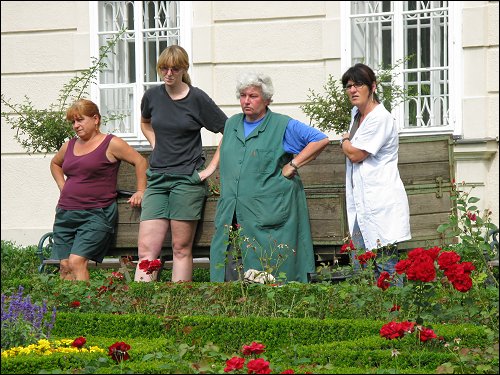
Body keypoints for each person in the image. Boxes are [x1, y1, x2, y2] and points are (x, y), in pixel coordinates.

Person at [210, 72, 330, 283]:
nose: (246, 101)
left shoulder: (281, 125)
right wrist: (210, 168)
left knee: (271, 272)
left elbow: (319, 140)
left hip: (269, 213)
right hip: (232, 214)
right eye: (243, 95)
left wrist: (293, 164)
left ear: (267, 99)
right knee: (228, 270)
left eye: (253, 96)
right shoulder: (232, 124)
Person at [134, 45, 227, 282]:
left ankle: (179, 306)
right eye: (164, 68)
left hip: (187, 180)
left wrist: (210, 169)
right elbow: (145, 122)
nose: (168, 73)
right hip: (157, 179)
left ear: (184, 68)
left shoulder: (197, 99)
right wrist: (156, 142)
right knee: (146, 250)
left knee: (181, 249)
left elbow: (228, 130)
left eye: (174, 68)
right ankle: (140, 306)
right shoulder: (152, 96)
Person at [50, 99, 148, 281]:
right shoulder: (69, 145)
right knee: (64, 265)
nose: (76, 126)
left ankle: (83, 307)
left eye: (80, 120)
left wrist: (141, 190)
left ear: (95, 119)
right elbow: (55, 163)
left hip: (95, 213)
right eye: (73, 122)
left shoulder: (111, 143)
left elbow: (140, 161)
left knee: (76, 262)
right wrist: (62, 186)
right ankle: (66, 308)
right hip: (65, 213)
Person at [339, 63, 411, 283]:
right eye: (348, 85)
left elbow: (355, 154)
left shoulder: (380, 118)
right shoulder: (356, 114)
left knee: (386, 265)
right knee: (362, 266)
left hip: (380, 202)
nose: (352, 90)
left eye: (358, 84)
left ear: (373, 87)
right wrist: (349, 143)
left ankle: (398, 314)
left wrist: (344, 140)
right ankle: (372, 315)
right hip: (362, 204)